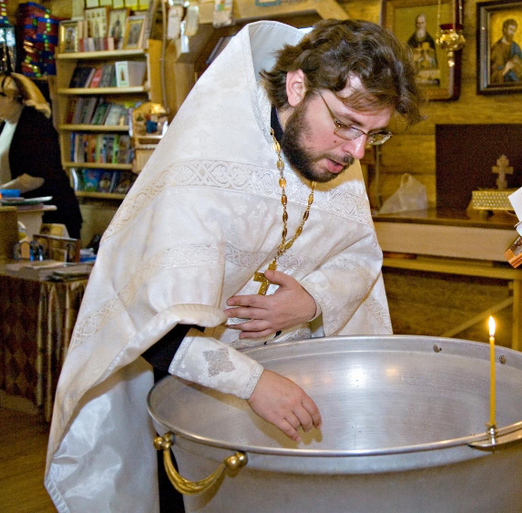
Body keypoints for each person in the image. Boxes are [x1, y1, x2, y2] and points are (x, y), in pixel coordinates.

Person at [45, 19, 422, 512]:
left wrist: (311, 301)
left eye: (374, 134)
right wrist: (252, 382)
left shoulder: (334, 157)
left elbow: (358, 257)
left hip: (295, 381)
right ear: (297, 87)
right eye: (347, 124)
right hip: (192, 391)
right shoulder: (205, 158)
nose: (357, 151)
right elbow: (148, 323)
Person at [0, 73, 82, 239]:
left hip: (50, 214)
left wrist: (1, 191)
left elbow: (36, 177)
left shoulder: (35, 125)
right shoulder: (5, 125)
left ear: (10, 97)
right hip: (20, 212)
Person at [489, 19, 522, 84]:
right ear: (504, 29)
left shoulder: (516, 47)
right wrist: (505, 69)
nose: (512, 33)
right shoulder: (496, 48)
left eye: (514, 30)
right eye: (511, 29)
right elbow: (492, 76)